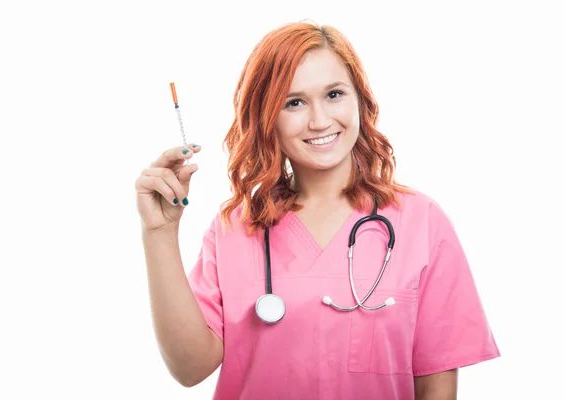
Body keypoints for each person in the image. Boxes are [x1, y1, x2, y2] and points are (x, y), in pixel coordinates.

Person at [135, 20, 500, 400]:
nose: (320, 121)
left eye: (334, 95)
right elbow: (190, 369)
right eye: (294, 102)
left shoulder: (422, 223)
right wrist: (159, 234)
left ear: (359, 98)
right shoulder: (234, 229)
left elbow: (437, 386)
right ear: (266, 117)